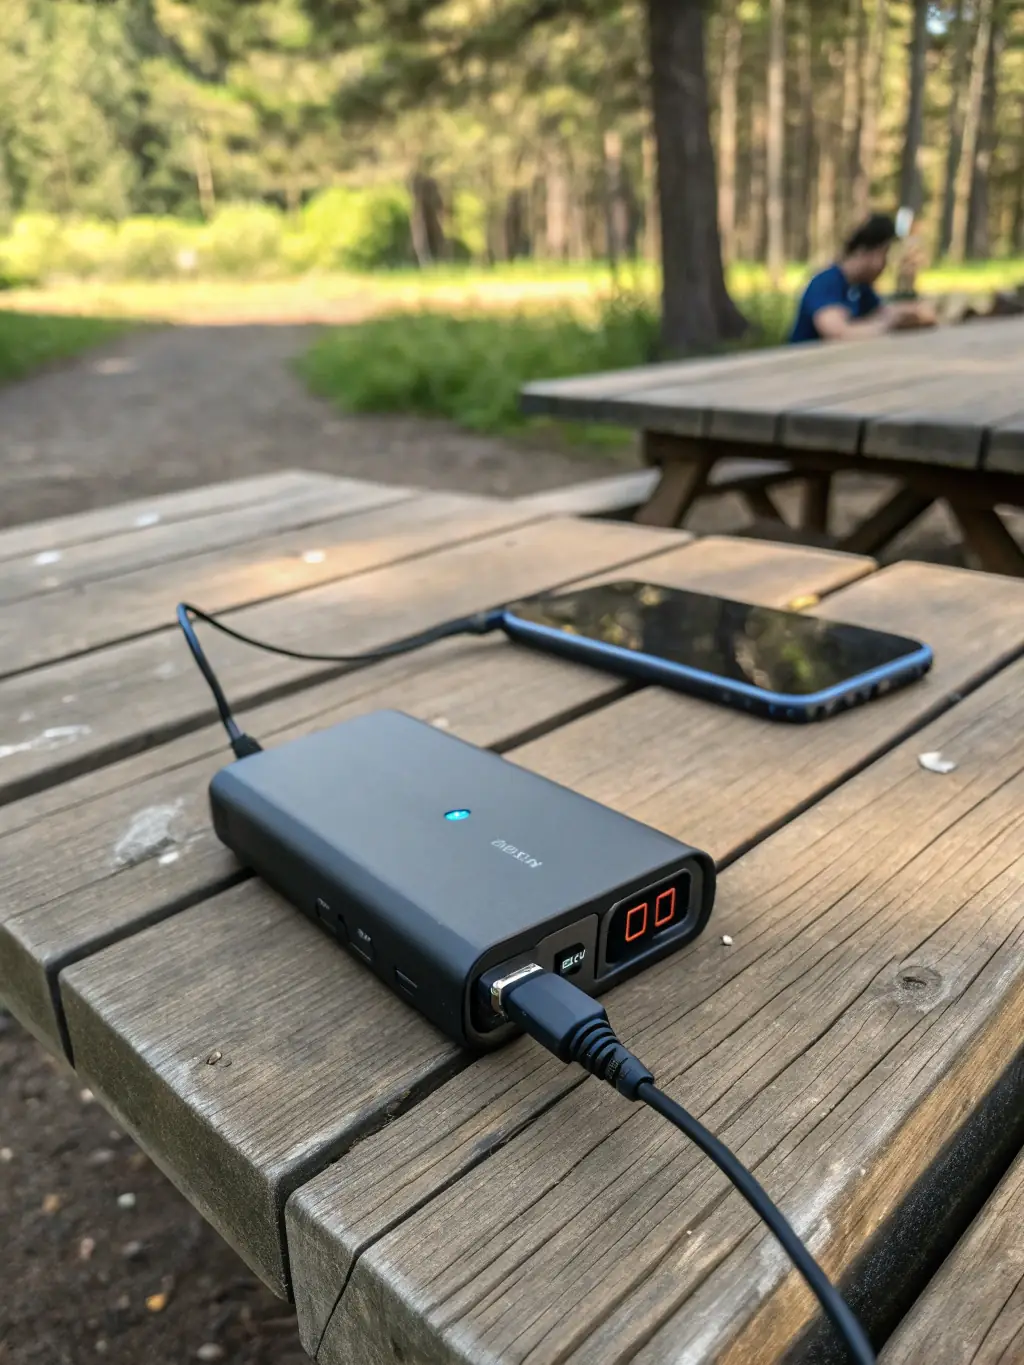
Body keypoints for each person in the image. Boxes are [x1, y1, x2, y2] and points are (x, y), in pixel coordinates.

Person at [789, 213, 936, 344]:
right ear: (864, 251)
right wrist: (889, 325)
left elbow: (884, 312)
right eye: (884, 254)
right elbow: (838, 333)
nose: (884, 265)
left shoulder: (860, 289)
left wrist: (915, 314)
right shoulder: (826, 283)